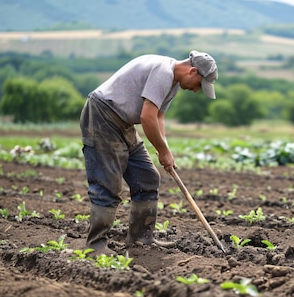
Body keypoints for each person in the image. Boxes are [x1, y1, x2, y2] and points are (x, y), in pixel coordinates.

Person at [79, 50, 218, 256]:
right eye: (199, 84)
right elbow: (147, 117)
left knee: (146, 177)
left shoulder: (172, 83)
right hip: (103, 116)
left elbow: (158, 117)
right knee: (107, 183)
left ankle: (141, 238)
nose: (197, 90)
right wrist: (161, 151)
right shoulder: (163, 72)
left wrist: (166, 151)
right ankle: (95, 246)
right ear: (193, 71)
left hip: (123, 123)